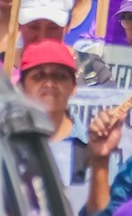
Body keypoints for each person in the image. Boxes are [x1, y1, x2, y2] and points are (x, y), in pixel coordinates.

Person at [18, 39, 88, 186]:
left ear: (74, 87)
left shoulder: (92, 149)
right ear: (21, 87)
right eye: (38, 76)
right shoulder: (4, 143)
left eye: (60, 76)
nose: (49, 84)